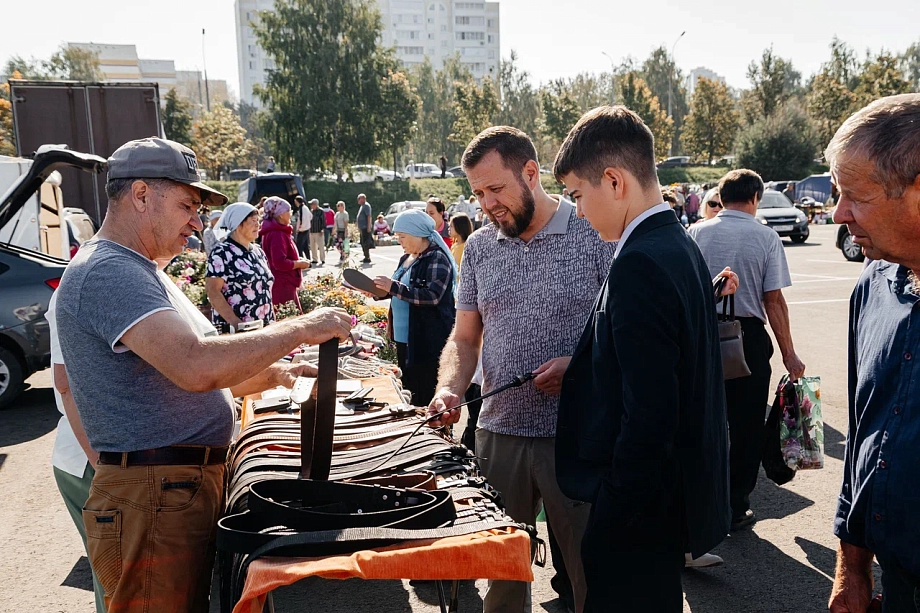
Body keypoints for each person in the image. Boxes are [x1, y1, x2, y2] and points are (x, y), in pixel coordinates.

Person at [55, 137, 353, 613]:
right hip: (154, 493)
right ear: (140, 195)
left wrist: (278, 373)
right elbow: (195, 365)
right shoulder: (110, 271)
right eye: (187, 205)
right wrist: (302, 327)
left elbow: (205, 374)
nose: (197, 223)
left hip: (170, 489)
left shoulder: (139, 269)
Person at [428, 126, 617, 613]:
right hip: (499, 434)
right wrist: (450, 389)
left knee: (590, 574)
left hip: (575, 436)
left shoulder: (594, 231)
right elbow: (465, 337)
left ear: (531, 173)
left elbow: (627, 335)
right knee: (502, 577)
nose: (487, 204)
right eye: (476, 193)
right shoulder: (481, 248)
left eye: (495, 189)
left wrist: (577, 367)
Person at [553, 106, 733, 612]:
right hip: (664, 503)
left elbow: (651, 413)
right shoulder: (676, 242)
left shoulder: (640, 261)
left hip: (639, 513)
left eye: (577, 196)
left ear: (613, 181)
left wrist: (614, 510)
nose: (580, 213)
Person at [826, 94, 920, 613]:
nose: (838, 214)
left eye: (853, 196)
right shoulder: (872, 285)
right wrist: (852, 569)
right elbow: (864, 435)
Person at [689, 169, 806, 531]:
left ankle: (698, 500)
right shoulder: (766, 237)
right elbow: (774, 301)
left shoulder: (695, 232)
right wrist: (789, 353)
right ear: (755, 197)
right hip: (749, 341)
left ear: (720, 199)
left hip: (702, 336)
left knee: (701, 421)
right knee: (746, 425)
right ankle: (736, 504)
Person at [367, 209, 458, 406]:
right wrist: (377, 291)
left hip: (426, 339)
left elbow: (432, 297)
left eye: (402, 236)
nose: (399, 241)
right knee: (409, 388)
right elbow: (398, 289)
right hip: (404, 337)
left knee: (426, 392)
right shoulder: (406, 258)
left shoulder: (437, 258)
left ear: (417, 234)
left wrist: (393, 287)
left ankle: (434, 434)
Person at [207, 202, 275, 330]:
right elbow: (213, 291)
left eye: (258, 220)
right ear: (238, 224)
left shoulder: (258, 251)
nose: (258, 224)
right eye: (253, 220)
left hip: (264, 327)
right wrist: (236, 324)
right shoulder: (221, 253)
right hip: (238, 330)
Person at [260, 196, 311, 308]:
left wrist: (298, 260)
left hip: (282, 282)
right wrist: (299, 264)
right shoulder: (277, 233)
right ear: (281, 214)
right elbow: (279, 263)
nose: (291, 214)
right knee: (289, 318)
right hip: (282, 284)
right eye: (289, 211)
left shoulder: (275, 230)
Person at [308, 198, 326, 265]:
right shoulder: (311, 211)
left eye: (312, 204)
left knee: (321, 246)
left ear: (315, 204)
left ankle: (322, 259)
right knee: (313, 246)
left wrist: (322, 229)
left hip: (319, 231)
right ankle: (315, 259)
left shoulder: (321, 211)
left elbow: (323, 221)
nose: (311, 206)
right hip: (312, 231)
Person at [356, 193, 373, 264]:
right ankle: (365, 256)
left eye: (359, 199)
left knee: (365, 243)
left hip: (365, 227)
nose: (358, 200)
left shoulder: (366, 206)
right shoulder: (362, 206)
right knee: (363, 242)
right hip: (362, 227)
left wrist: (368, 227)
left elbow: (368, 216)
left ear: (363, 199)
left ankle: (367, 257)